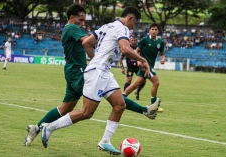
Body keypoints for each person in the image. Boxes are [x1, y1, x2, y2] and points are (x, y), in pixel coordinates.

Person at [24, 4, 160, 150]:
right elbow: (119, 47)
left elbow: (88, 42)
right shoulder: (74, 28)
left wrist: (97, 58)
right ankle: (48, 128)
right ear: (130, 18)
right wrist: (142, 60)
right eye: (80, 19)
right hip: (83, 71)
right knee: (87, 111)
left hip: (78, 70)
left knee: (111, 104)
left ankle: (37, 128)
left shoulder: (108, 25)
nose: (83, 23)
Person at [123, 23, 165, 112]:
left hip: (150, 65)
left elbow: (162, 54)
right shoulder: (144, 40)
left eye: (155, 29)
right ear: (149, 30)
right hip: (144, 66)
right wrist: (138, 61)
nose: (154, 31)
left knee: (136, 84)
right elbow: (136, 51)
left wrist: (162, 59)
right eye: (152, 29)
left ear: (158, 31)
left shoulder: (160, 42)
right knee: (156, 83)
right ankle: (154, 105)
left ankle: (122, 97)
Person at [119, 36, 146, 100]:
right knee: (129, 79)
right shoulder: (127, 47)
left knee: (143, 81)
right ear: (130, 41)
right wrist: (122, 67)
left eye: (134, 40)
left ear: (137, 41)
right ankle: (124, 95)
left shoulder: (139, 48)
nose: (133, 42)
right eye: (132, 40)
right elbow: (121, 59)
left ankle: (137, 91)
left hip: (138, 67)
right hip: (130, 67)